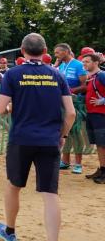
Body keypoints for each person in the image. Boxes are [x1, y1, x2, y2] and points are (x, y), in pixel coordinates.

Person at [0, 33, 76, 241]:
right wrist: (62, 135)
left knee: (14, 185)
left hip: (21, 139)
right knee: (50, 194)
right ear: (45, 50)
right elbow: (71, 113)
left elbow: (0, 109)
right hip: (49, 141)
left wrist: (11, 107)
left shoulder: (13, 74)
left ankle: (10, 232)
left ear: (22, 50)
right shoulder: (57, 74)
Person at [55, 43, 87, 174]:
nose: (56, 55)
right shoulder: (61, 66)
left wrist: (69, 92)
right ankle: (65, 161)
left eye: (58, 52)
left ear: (66, 52)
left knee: (76, 132)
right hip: (62, 102)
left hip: (75, 103)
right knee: (65, 131)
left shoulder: (78, 65)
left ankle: (78, 163)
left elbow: (85, 86)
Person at [81, 52, 105, 183]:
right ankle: (102, 169)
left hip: (101, 114)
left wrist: (102, 101)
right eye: (83, 62)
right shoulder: (91, 77)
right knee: (99, 145)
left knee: (103, 144)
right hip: (92, 114)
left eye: (87, 61)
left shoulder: (101, 75)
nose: (84, 64)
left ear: (96, 63)